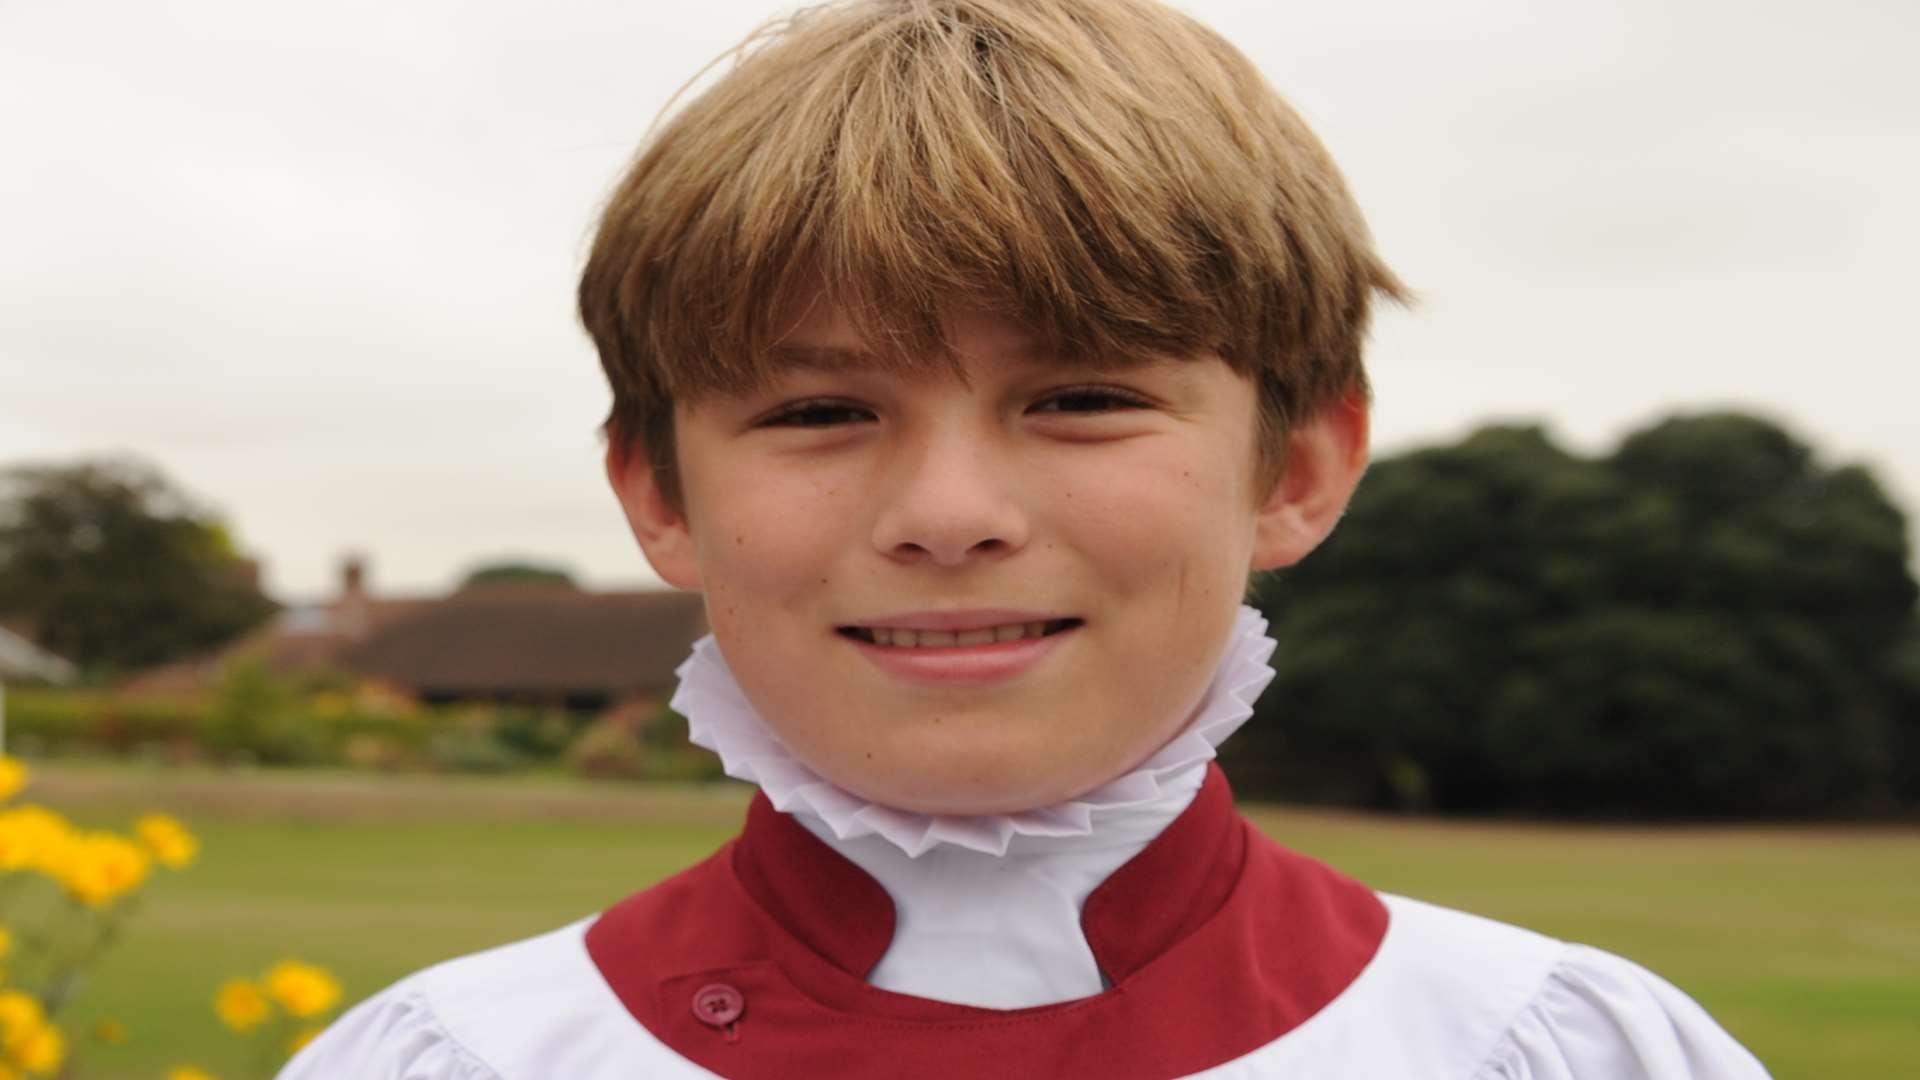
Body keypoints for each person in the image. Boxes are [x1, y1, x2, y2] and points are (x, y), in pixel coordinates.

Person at [282, 0, 1772, 1076]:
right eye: (817, 410)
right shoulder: (458, 1059)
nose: (948, 518)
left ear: (1298, 468)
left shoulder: (1561, 1051)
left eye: (1080, 396)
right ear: (661, 492)